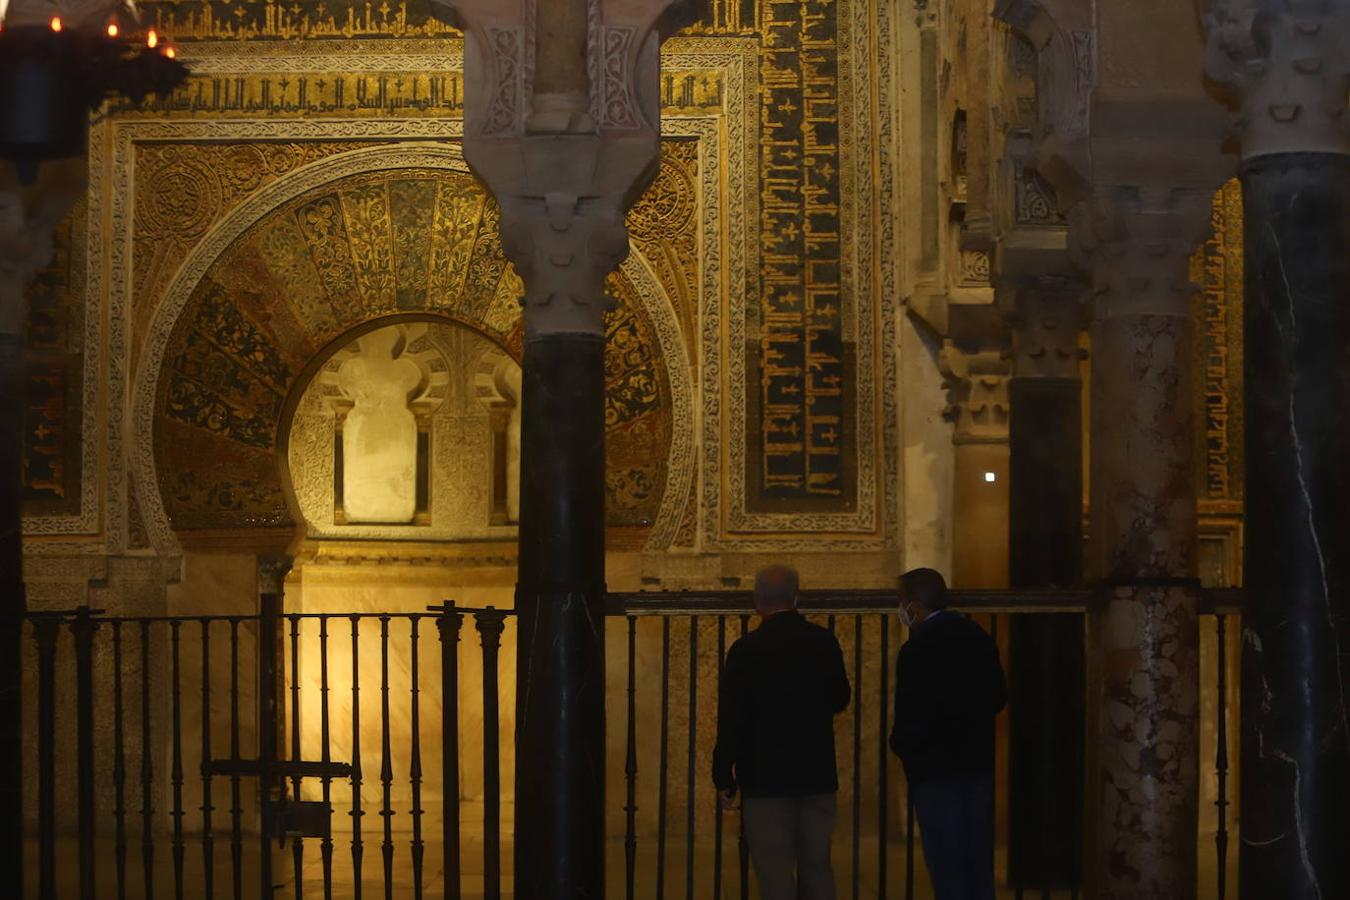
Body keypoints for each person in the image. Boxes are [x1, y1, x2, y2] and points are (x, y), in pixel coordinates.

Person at [713, 565, 852, 900]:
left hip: (765, 780)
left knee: (774, 873)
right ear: (796, 597)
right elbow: (840, 698)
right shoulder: (823, 642)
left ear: (757, 602)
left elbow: (732, 718)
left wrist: (723, 776)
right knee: (817, 867)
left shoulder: (746, 650)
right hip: (816, 774)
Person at [889, 567, 1006, 900]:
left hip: (935, 771)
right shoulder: (977, 635)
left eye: (900, 600)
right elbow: (998, 696)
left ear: (914, 605)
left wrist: (904, 750)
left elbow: (910, 714)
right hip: (977, 765)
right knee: (979, 862)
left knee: (947, 864)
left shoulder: (917, 649)